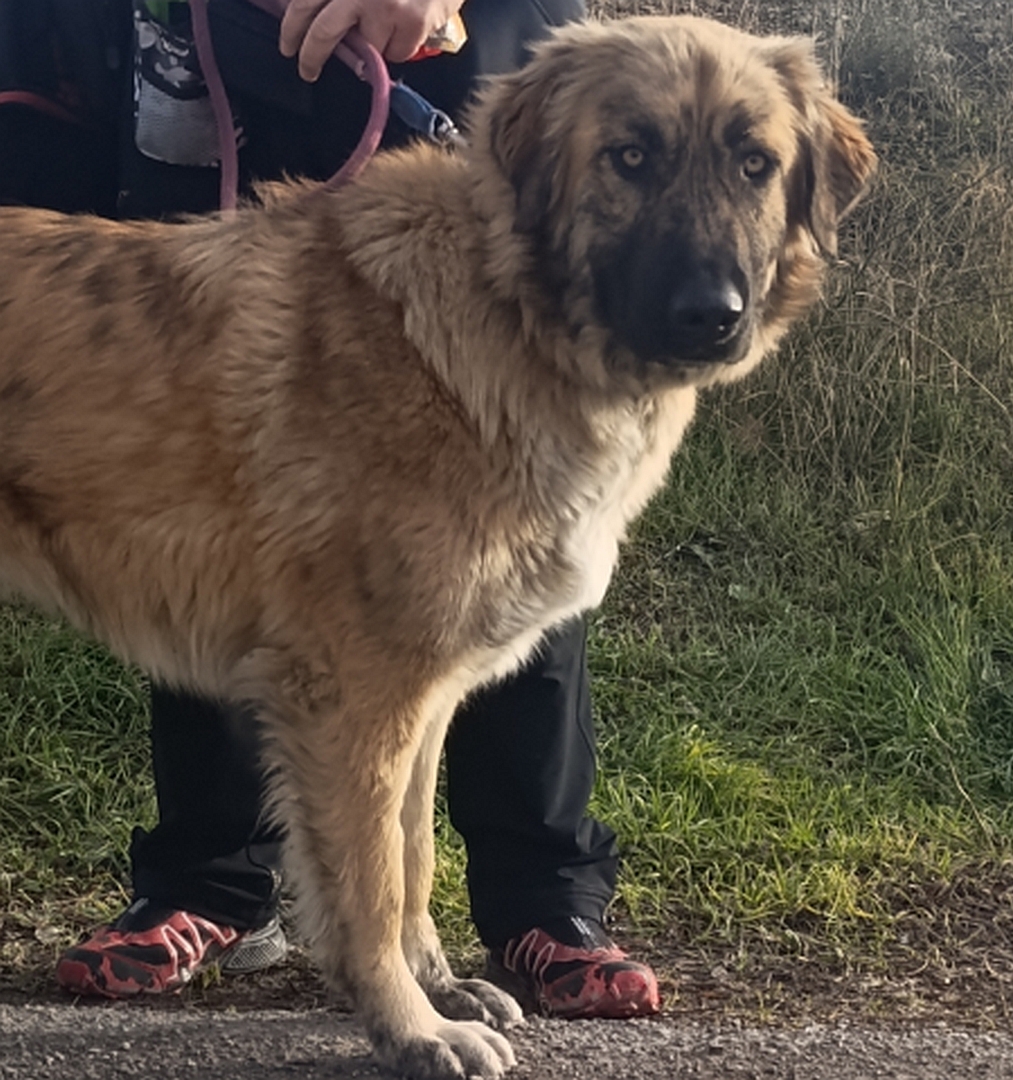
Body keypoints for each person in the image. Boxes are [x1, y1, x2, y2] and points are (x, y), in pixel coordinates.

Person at [0, 0, 661, 1019]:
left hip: (455, 59)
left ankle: (529, 904)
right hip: (208, 66)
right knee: (371, 627)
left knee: (436, 623)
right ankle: (262, 904)